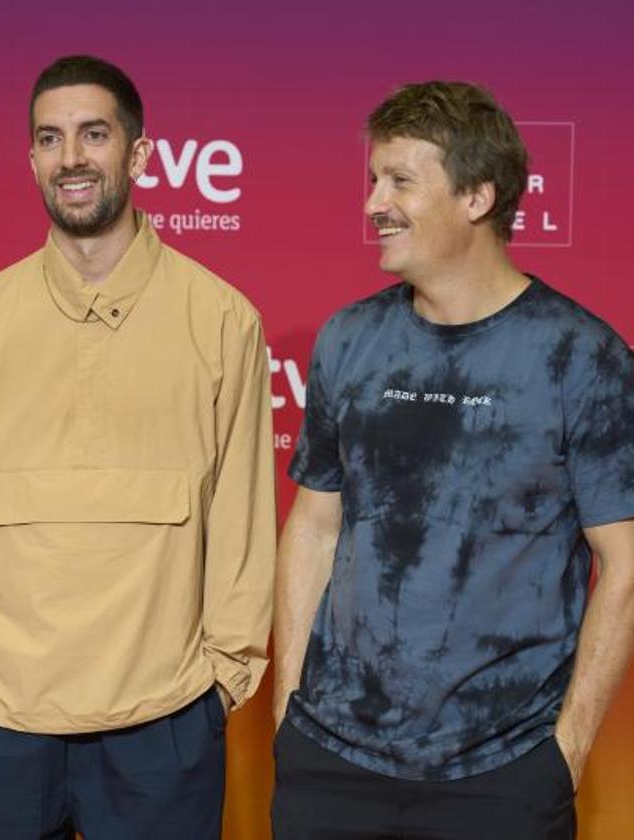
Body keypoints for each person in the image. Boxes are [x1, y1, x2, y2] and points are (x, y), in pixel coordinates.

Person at [0, 55, 276, 839]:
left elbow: (241, 525)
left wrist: (222, 681)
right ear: (33, 159)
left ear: (138, 154)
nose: (71, 157)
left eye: (93, 135)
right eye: (51, 138)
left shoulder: (221, 321)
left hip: (164, 723)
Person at [272, 81, 634, 839]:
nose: (374, 203)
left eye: (400, 181)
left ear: (476, 195)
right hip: (331, 762)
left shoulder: (583, 357)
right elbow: (313, 528)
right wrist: (288, 717)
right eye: (374, 180)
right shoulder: (349, 340)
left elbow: (625, 563)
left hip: (502, 774)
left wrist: (563, 752)